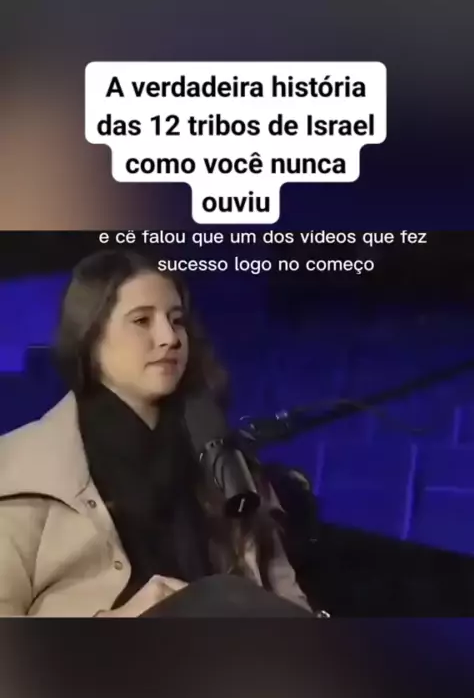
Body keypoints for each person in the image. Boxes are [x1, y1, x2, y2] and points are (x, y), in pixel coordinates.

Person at [0, 249, 312, 617]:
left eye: (176, 320)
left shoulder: (226, 461)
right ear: (91, 336)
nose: (169, 337)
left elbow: (289, 602)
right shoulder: (22, 464)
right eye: (141, 320)